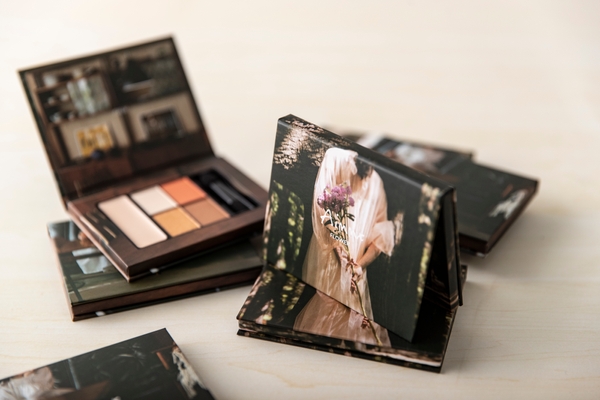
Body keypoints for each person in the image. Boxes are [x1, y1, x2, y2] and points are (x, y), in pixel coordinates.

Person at [294, 147, 396, 346]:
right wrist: (339, 246)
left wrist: (359, 266)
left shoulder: (376, 182)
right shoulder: (337, 158)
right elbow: (322, 208)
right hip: (332, 257)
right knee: (330, 306)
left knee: (358, 316)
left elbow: (380, 237)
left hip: (356, 265)